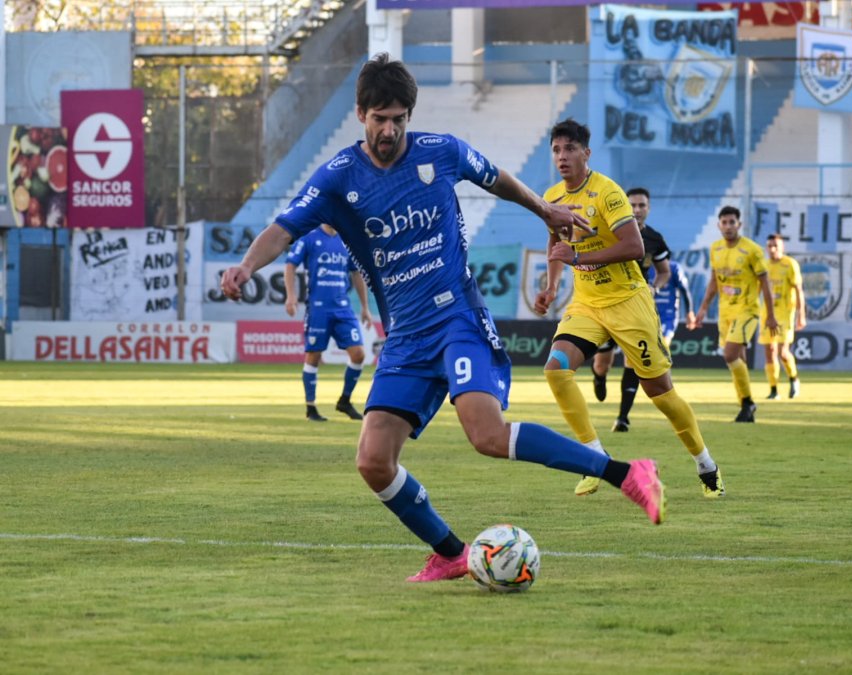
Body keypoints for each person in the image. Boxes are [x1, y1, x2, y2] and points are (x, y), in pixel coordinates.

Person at [221, 54, 666, 583]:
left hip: (457, 316)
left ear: (411, 115)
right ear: (360, 114)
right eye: (380, 118)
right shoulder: (338, 177)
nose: (390, 129)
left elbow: (498, 179)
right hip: (405, 338)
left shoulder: (441, 151)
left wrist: (544, 210)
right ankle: (452, 551)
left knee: (486, 434)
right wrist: (247, 264)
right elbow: (284, 227)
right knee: (373, 460)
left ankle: (627, 473)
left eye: (399, 118)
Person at [534, 118, 723, 500]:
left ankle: (706, 464)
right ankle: (594, 459)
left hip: (629, 301)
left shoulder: (609, 193)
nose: (562, 156)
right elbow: (557, 244)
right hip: (586, 303)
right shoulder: (552, 196)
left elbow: (634, 247)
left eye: (570, 149)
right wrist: (552, 285)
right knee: (556, 369)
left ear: (586, 153)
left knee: (660, 392)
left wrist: (579, 257)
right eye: (556, 150)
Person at [591, 187, 672, 434]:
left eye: (641, 205)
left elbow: (664, 272)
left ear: (648, 208)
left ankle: (623, 417)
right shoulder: (609, 232)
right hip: (607, 304)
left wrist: (655, 288)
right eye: (632, 205)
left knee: (634, 361)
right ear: (624, 207)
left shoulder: (655, 239)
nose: (637, 210)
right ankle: (599, 375)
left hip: (636, 306)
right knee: (603, 362)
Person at [692, 206, 778, 422]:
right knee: (737, 360)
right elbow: (714, 280)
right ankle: (745, 408)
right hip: (725, 311)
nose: (729, 226)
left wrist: (771, 315)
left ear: (739, 225)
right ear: (719, 225)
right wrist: (703, 308)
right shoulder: (716, 249)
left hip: (747, 310)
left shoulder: (753, 250)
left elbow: (765, 282)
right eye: (725, 222)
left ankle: (748, 402)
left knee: (729, 355)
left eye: (732, 222)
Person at [284, 223, 373, 421]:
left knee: (358, 354)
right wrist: (291, 297)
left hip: (343, 308)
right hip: (318, 308)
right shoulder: (309, 238)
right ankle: (311, 408)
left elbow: (356, 273)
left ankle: (345, 401)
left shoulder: (345, 240)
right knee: (313, 356)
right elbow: (290, 265)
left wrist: (365, 307)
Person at [759, 234, 806, 400]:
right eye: (770, 245)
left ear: (782, 247)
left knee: (783, 352)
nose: (772, 249)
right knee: (769, 351)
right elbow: (757, 290)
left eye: (775, 246)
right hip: (767, 313)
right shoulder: (763, 265)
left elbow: (799, 290)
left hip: (785, 314)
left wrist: (801, 315)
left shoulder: (790, 264)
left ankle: (793, 378)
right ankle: (773, 390)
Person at [649, 259, 695, 348]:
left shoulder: (674, 267)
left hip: (668, 315)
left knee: (661, 348)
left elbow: (684, 290)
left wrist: (689, 312)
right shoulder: (645, 269)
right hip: (648, 314)